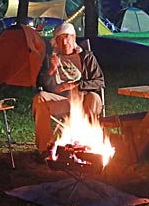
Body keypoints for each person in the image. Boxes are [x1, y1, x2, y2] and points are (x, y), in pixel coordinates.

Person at [31, 22, 105, 157]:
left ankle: (88, 144)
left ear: (74, 37)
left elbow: (99, 81)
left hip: (84, 99)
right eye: (60, 38)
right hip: (62, 101)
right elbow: (41, 84)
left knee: (94, 97)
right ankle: (45, 149)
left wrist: (75, 86)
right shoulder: (51, 59)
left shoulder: (87, 57)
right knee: (39, 98)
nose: (65, 42)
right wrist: (52, 70)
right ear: (56, 42)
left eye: (68, 37)